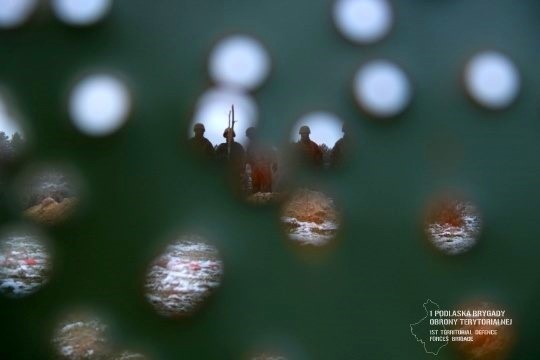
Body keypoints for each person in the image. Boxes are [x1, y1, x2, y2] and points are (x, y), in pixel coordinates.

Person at [245, 127, 277, 193]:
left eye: (250, 135)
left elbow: (272, 153)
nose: (249, 137)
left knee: (266, 189)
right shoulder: (250, 146)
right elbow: (247, 158)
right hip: (255, 168)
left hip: (264, 168)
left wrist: (274, 163)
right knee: (256, 188)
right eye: (248, 136)